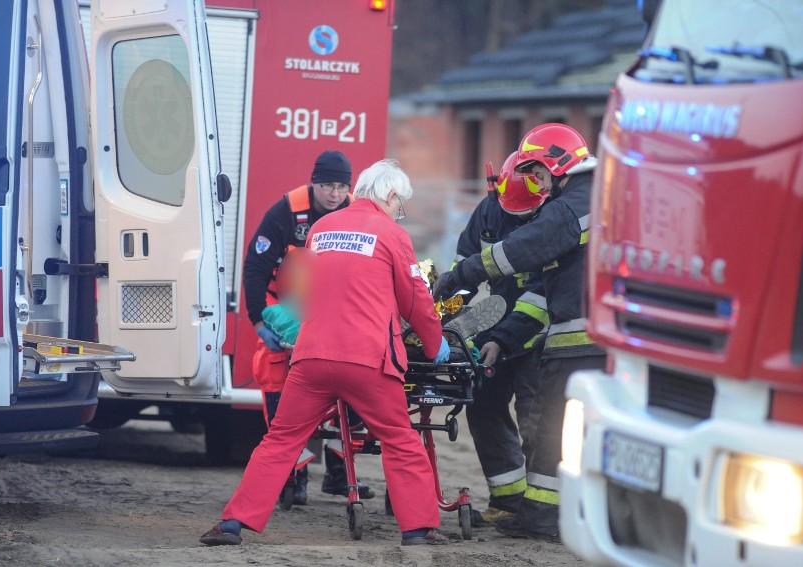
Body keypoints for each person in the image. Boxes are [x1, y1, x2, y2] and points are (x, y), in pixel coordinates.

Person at [201, 159, 451, 546]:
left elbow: (309, 292)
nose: (399, 213)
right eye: (400, 205)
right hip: (369, 360)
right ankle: (417, 529)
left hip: (312, 357)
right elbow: (415, 300)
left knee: (280, 441)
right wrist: (434, 345)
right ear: (390, 196)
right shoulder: (392, 234)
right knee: (401, 440)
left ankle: (233, 523)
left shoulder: (320, 228)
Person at [434, 123, 607, 541]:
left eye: (540, 174)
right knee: (533, 421)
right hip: (541, 332)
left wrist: (468, 272)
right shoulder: (501, 210)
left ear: (558, 163)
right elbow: (541, 291)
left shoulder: (569, 208)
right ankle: (524, 507)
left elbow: (526, 256)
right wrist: (458, 318)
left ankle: (545, 519)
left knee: (546, 427)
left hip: (572, 340)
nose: (538, 184)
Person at [241, 150, 374, 504]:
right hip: (283, 316)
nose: (334, 193)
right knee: (278, 393)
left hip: (335, 319)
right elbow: (255, 269)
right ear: (314, 182)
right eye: (328, 185)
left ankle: (339, 472)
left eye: (342, 186)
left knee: (348, 394)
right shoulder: (285, 213)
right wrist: (259, 319)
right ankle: (292, 477)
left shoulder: (355, 212)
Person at [447, 152, 550, 526]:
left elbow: (543, 294)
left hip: (540, 330)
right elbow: (465, 267)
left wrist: (504, 338)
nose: (517, 216)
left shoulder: (553, 214)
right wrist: (446, 312)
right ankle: (508, 500)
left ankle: (541, 513)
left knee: (536, 419)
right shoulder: (490, 209)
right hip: (495, 322)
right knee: (483, 403)